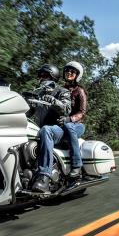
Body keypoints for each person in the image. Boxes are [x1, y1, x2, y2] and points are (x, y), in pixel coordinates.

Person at [30, 64, 71, 193]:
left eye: (45, 75)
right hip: (41, 129)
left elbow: (67, 108)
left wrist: (54, 101)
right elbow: (28, 112)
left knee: (46, 130)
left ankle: (44, 176)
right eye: (40, 75)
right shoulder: (37, 93)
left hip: (59, 129)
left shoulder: (62, 91)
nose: (41, 78)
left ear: (53, 77)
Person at [58, 61, 87, 178]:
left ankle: (76, 165)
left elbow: (82, 112)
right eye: (67, 70)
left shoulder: (80, 91)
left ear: (77, 75)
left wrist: (69, 119)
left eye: (72, 71)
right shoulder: (60, 89)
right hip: (62, 124)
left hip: (77, 125)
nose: (69, 72)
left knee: (69, 126)